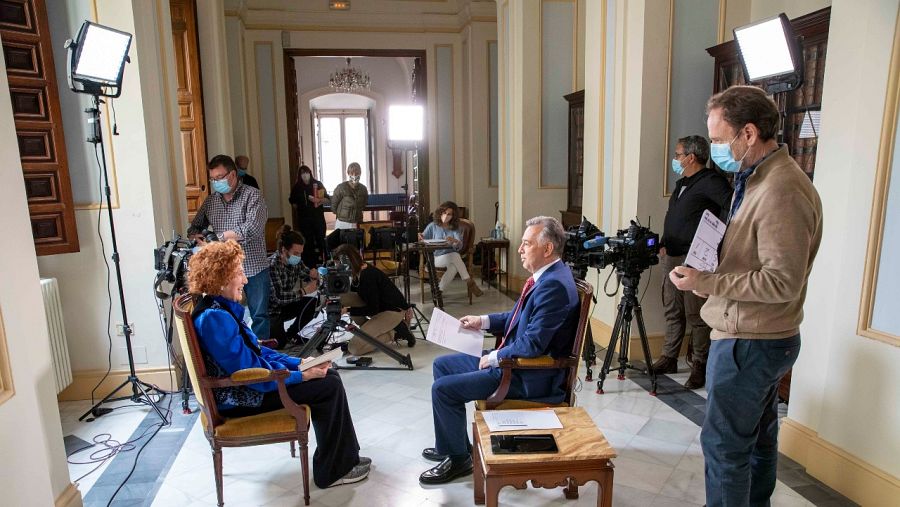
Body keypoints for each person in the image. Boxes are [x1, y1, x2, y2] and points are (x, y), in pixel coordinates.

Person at [669, 85, 822, 507]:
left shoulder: (781, 189)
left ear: (749, 133)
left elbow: (781, 281)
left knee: (724, 446)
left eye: (719, 140)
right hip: (756, 335)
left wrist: (707, 282)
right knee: (756, 441)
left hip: (752, 339)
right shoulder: (758, 178)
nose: (715, 150)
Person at [187, 240, 370, 488]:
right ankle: (334, 471)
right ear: (220, 278)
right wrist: (301, 376)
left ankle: (344, 460)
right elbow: (248, 373)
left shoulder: (220, 309)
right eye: (239, 273)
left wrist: (299, 363)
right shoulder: (215, 318)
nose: (245, 280)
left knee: (330, 375)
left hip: (249, 387)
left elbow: (256, 352)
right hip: (241, 398)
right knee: (328, 385)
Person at [419, 216, 580, 485]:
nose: (520, 249)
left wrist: (494, 357)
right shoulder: (548, 277)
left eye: (527, 243)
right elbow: (517, 317)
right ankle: (455, 446)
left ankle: (458, 460)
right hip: (515, 362)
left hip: (527, 375)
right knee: (442, 365)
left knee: (443, 390)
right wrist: (482, 321)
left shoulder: (553, 286)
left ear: (548, 248)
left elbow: (533, 344)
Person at [654, 135, 733, 389]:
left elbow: (731, 206)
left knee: (696, 313)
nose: (675, 159)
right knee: (672, 308)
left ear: (690, 157)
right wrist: (664, 242)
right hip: (672, 254)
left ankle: (700, 363)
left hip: (694, 259)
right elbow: (675, 216)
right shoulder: (682, 183)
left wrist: (714, 242)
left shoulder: (711, 181)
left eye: (678, 155)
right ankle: (669, 357)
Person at [189, 154, 271, 340]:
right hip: (225, 271)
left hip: (254, 266)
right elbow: (194, 228)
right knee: (229, 316)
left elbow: (252, 228)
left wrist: (219, 238)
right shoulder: (211, 201)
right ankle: (237, 352)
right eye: (213, 179)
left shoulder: (253, 195)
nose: (216, 182)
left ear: (232, 175)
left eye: (219, 177)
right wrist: (198, 237)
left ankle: (261, 354)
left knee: (259, 315)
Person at [331, 244, 417, 354]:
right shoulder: (358, 272)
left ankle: (396, 332)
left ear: (348, 262)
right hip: (379, 306)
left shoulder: (367, 276)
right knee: (340, 297)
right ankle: (370, 329)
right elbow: (352, 295)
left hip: (391, 311)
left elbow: (373, 309)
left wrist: (347, 310)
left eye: (338, 263)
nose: (337, 267)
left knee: (354, 348)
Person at [268, 225, 320, 349]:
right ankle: (283, 337)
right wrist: (304, 291)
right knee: (279, 344)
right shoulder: (272, 265)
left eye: (300, 253)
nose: (298, 257)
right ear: (284, 250)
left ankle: (290, 335)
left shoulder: (296, 262)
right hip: (272, 311)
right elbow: (278, 298)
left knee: (312, 303)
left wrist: (314, 276)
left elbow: (306, 275)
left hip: (287, 305)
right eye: (296, 253)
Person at [419, 201, 483, 299]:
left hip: (450, 259)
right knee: (455, 256)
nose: (446, 216)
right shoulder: (432, 226)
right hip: (434, 258)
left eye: (449, 214)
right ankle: (469, 282)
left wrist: (455, 241)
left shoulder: (455, 228)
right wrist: (420, 236)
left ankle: (438, 292)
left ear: (453, 216)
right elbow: (422, 239)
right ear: (440, 212)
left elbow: (459, 246)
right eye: (444, 213)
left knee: (454, 266)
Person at [289, 165, 329, 267]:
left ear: (310, 173)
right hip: (304, 221)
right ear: (299, 175)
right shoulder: (297, 187)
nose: (305, 175)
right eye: (302, 173)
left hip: (318, 219)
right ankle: (309, 266)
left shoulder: (318, 184)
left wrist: (319, 200)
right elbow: (293, 202)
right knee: (307, 244)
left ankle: (325, 263)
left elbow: (327, 199)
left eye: (306, 172)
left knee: (321, 241)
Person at [327, 162, 368, 251]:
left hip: (357, 222)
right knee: (341, 248)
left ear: (360, 173)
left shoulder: (363, 189)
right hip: (342, 223)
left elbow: (364, 204)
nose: (354, 175)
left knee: (355, 248)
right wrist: (343, 215)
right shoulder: (341, 187)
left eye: (357, 173)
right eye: (352, 173)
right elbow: (334, 206)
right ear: (348, 173)